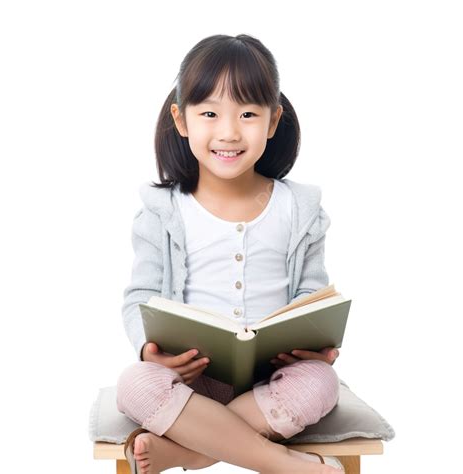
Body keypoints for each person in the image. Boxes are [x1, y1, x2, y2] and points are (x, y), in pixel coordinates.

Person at [116, 33, 344, 474]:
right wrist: (149, 351)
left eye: (247, 113)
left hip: (272, 382)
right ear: (181, 121)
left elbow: (313, 293)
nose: (229, 132)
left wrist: (317, 346)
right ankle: (284, 463)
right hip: (190, 382)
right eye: (209, 113)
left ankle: (188, 454)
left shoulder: (301, 210)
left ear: (273, 120)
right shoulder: (162, 212)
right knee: (134, 384)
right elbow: (139, 295)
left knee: (322, 382)